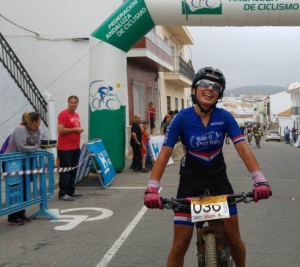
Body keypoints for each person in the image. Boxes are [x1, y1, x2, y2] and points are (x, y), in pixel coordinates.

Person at [143, 67, 271, 267]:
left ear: (219, 95)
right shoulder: (181, 118)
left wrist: (259, 180)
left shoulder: (225, 117)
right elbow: (165, 152)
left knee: (234, 240)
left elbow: (244, 149)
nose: (210, 89)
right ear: (194, 89)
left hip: (219, 181)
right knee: (179, 246)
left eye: (216, 86)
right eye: (204, 84)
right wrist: (152, 187)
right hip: (190, 183)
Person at [4, 112, 41, 225]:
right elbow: (21, 147)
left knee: (24, 188)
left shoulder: (37, 131)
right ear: (34, 122)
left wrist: (29, 146)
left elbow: (37, 145)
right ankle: (12, 217)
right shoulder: (21, 129)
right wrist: (32, 147)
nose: (40, 123)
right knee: (15, 189)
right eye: (39, 121)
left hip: (24, 163)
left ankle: (21, 213)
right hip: (12, 163)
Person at [57, 95, 84, 201]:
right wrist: (75, 130)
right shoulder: (63, 114)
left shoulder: (76, 114)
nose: (73, 104)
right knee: (65, 171)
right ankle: (62, 193)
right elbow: (61, 130)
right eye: (71, 102)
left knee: (73, 170)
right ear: (68, 103)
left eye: (75, 102)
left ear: (77, 104)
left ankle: (71, 191)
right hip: (65, 148)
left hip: (75, 147)